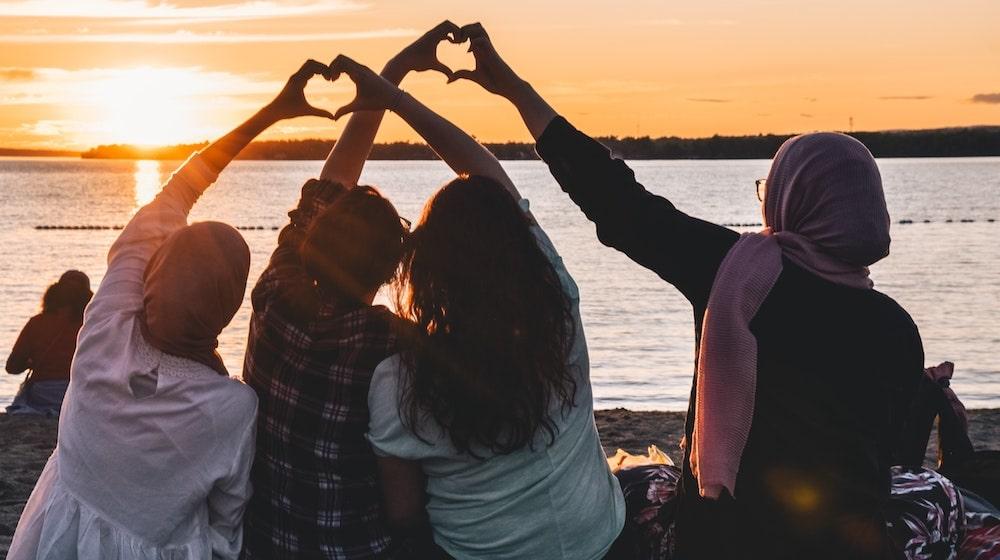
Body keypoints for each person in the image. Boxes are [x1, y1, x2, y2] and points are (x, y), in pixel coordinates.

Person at [451, 24, 924, 559]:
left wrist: (515, 90)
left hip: (724, 539)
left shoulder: (737, 274)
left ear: (796, 200)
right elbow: (893, 456)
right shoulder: (897, 328)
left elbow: (617, 201)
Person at [8, 60, 336, 560]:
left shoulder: (104, 325)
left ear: (149, 280)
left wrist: (270, 112)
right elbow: (228, 519)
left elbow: (180, 189)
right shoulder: (233, 406)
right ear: (225, 315)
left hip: (58, 534)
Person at [326, 54, 626, 559]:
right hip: (601, 544)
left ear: (426, 268)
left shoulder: (400, 380)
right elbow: (490, 180)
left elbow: (404, 516)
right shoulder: (559, 310)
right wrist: (397, 101)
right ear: (517, 252)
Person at [239, 24, 456, 560]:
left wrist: (391, 74)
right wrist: (394, 79)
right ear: (388, 270)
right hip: (355, 549)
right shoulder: (390, 341)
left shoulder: (273, 292)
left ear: (313, 240)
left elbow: (328, 183)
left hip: (266, 543)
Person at [5, 270, 92, 415]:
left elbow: (12, 367)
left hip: (42, 394)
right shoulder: (92, 325)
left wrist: (32, 362)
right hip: (78, 393)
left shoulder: (37, 323)